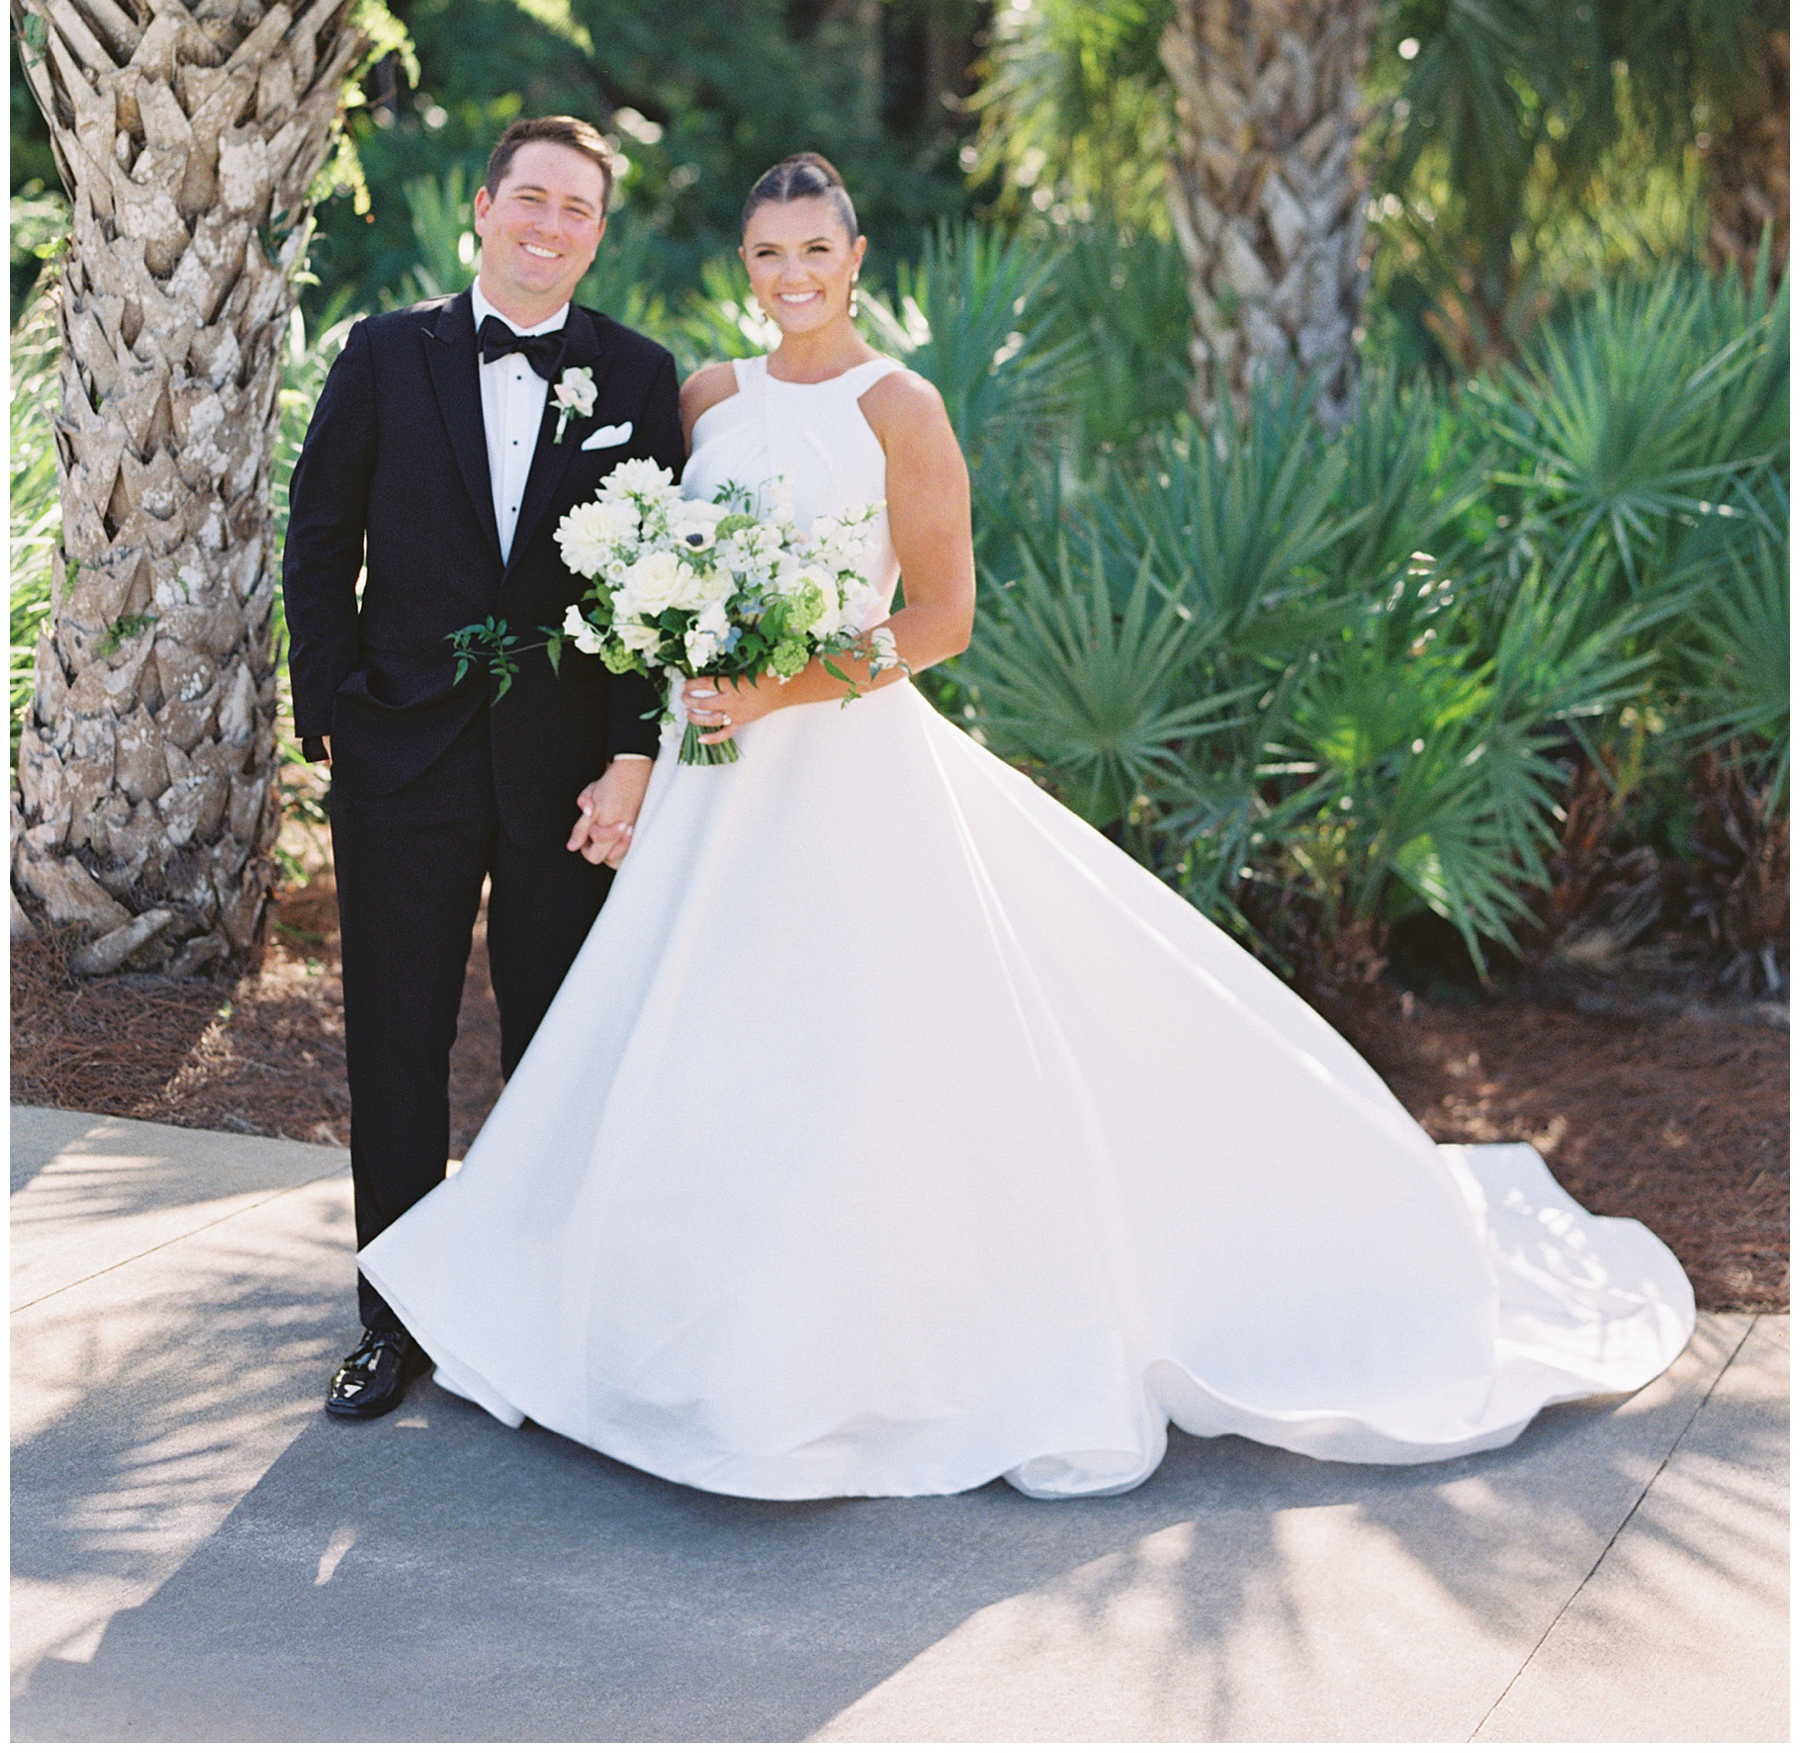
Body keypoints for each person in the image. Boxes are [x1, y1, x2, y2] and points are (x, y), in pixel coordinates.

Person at [358, 152, 1694, 1499]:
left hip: (836, 759)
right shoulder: (707, 398)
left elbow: (943, 617)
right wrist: (673, 704)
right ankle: (663, 1337)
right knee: (697, 1033)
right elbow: (647, 567)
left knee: (854, 1046)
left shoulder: (903, 407)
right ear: (745, 265)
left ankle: (848, 1356)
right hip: (717, 776)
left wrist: (781, 684)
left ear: (857, 257)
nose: (792, 277)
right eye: (768, 255)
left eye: (816, 251)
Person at [283, 114, 683, 1423]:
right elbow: (319, 531)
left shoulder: (638, 376)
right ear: (485, 205)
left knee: (553, 1049)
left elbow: (656, 587)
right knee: (394, 1046)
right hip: (401, 756)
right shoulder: (387, 353)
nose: (550, 226)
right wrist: (332, 703)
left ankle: (536, 1321)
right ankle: (390, 1327)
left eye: (578, 210)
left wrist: (633, 750)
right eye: (532, 199)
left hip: (565, 783)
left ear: (598, 234)